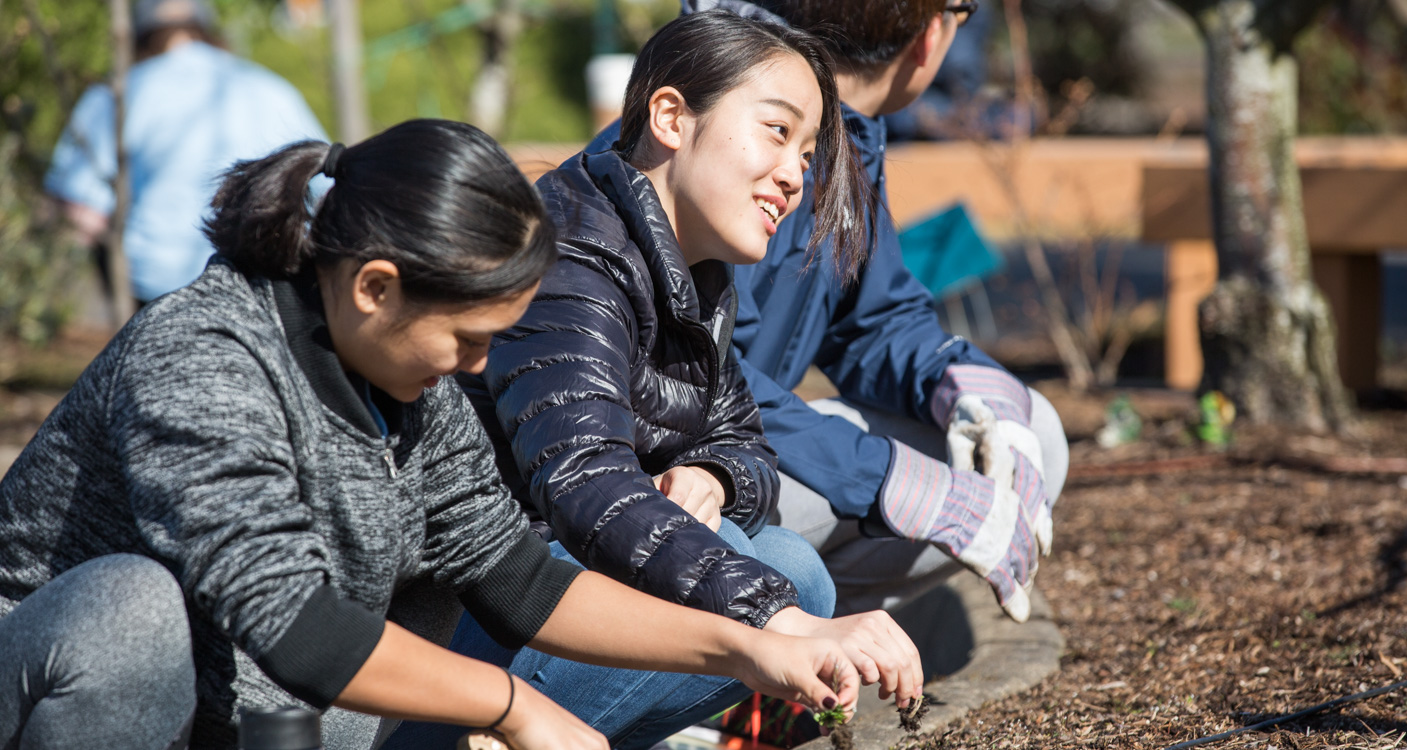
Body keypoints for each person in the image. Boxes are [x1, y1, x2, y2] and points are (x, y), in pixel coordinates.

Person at [0, 119, 865, 750]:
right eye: (469, 337)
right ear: (375, 287)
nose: (480, 367)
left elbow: (518, 582)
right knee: (135, 613)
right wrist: (512, 707)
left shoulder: (416, 389)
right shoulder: (205, 356)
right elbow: (291, 620)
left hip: (261, 706)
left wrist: (750, 646)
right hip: (72, 684)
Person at [389, 12, 920, 750]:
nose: (797, 174)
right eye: (777, 131)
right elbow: (581, 483)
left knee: (788, 565)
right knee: (783, 582)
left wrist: (712, 472)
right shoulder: (572, 254)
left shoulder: (693, 269)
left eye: (807, 152)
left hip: (529, 593)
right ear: (670, 116)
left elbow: (746, 440)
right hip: (452, 617)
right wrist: (777, 622)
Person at [660, 0, 1072, 622]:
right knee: (786, 556)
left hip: (728, 453)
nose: (791, 172)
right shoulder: (730, 136)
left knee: (1025, 430)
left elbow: (872, 320)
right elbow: (699, 377)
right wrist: (889, 479)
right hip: (666, 476)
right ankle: (743, 664)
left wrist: (958, 381)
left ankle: (795, 660)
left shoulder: (841, 134)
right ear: (932, 35)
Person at [45, 0, 325, 306]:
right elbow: (323, 184)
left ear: (138, 36)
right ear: (207, 29)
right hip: (262, 283)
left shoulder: (117, 93)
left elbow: (82, 211)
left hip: (156, 288)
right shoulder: (269, 88)